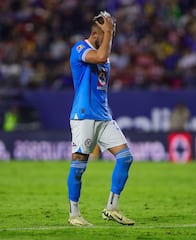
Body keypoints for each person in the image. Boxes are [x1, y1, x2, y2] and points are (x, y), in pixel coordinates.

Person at [67, 11, 135, 226]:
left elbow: (103, 58)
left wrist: (109, 31)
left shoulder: (103, 53)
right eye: (105, 36)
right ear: (96, 35)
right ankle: (74, 214)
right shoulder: (80, 48)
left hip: (104, 117)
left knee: (125, 157)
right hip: (84, 116)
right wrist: (108, 30)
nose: (108, 40)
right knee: (79, 166)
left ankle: (112, 208)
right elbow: (100, 57)